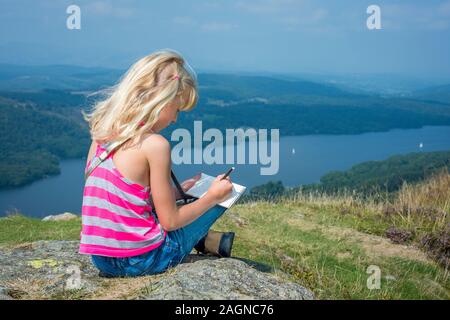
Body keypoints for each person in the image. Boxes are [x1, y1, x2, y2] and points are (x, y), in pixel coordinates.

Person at [79, 49, 234, 277]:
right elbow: (170, 221)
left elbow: (119, 197)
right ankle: (203, 237)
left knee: (183, 203)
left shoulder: (101, 134)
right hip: (145, 260)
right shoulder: (156, 145)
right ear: (161, 100)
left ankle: (208, 241)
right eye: (176, 109)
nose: (174, 119)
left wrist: (180, 191)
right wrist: (213, 196)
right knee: (224, 196)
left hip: (102, 260)